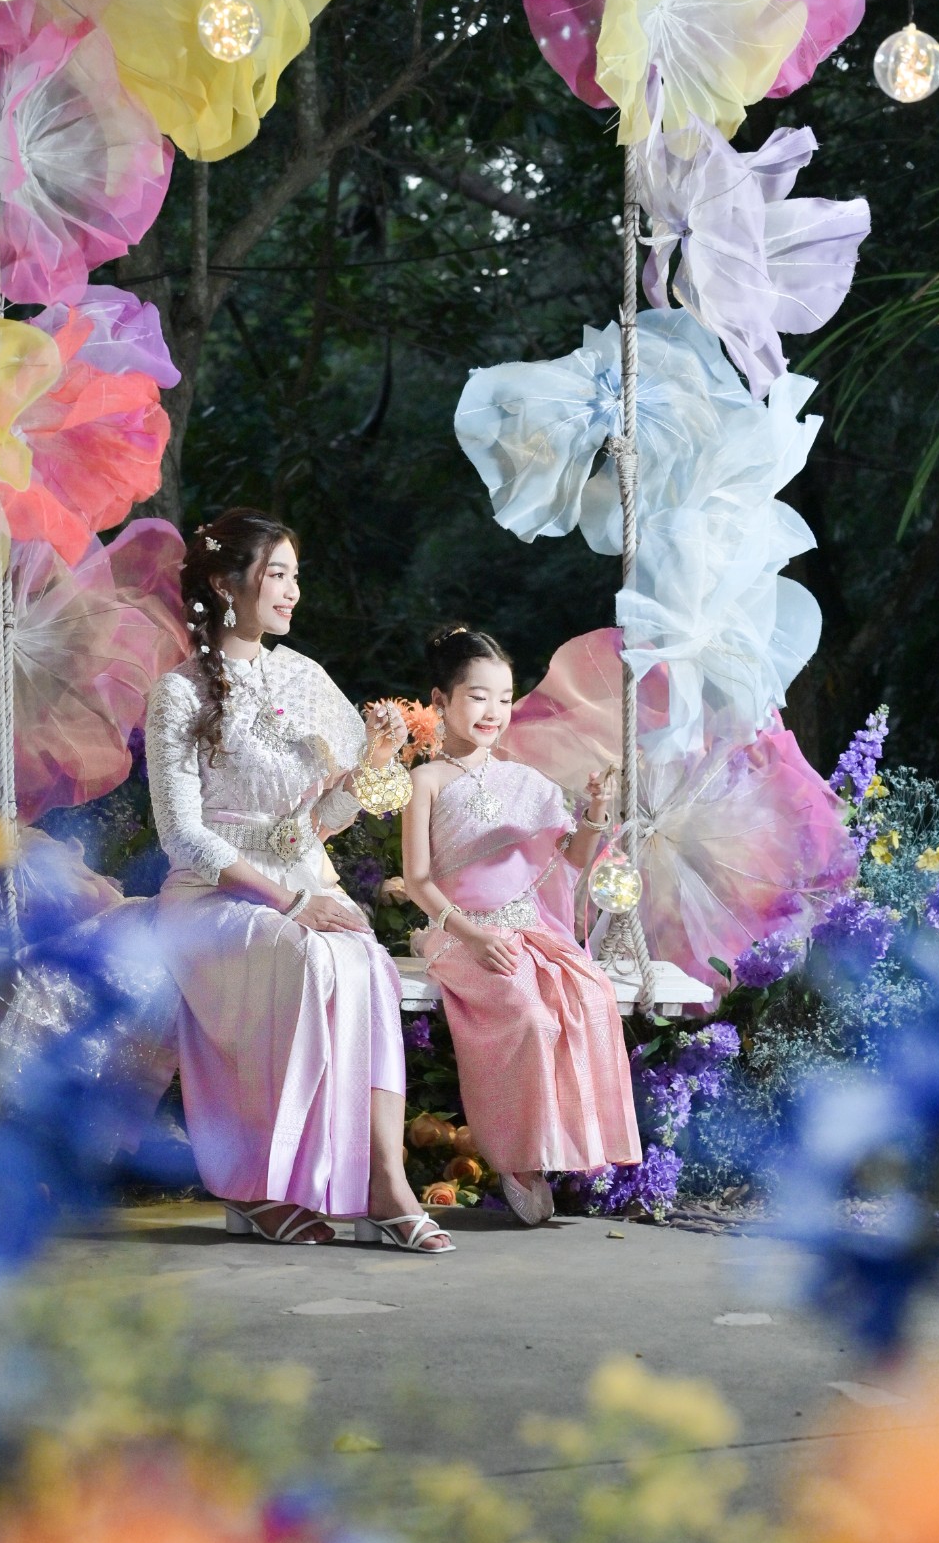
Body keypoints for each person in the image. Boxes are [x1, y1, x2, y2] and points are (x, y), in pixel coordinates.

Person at [144, 509, 454, 1254]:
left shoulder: (305, 677)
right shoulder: (178, 695)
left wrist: (375, 762)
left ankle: (384, 1183)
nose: (292, 592)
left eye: (294, 576)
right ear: (226, 585)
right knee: (310, 958)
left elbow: (322, 817)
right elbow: (182, 836)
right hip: (212, 898)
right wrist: (288, 900)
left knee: (368, 962)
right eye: (276, 575)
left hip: (302, 880)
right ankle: (259, 1185)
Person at [401, 626, 641, 1225]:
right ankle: (516, 1158)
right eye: (478, 696)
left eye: (505, 699)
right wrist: (472, 935)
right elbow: (419, 881)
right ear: (440, 701)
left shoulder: (526, 781)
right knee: (531, 1017)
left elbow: (575, 859)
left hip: (528, 930)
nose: (493, 711)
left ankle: (573, 1144)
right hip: (461, 933)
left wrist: (595, 811)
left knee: (590, 996)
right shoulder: (425, 782)